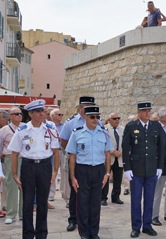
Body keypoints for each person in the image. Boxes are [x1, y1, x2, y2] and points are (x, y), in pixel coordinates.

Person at [9, 100, 60, 239]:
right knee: (28, 202)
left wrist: (55, 171)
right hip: (28, 166)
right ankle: (27, 235)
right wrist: (14, 174)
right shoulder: (22, 130)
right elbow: (14, 153)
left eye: (43, 111)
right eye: (38, 111)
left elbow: (56, 152)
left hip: (45, 166)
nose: (41, 114)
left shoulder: (51, 129)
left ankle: (42, 234)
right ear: (30, 114)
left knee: (43, 202)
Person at [66, 105, 112, 239]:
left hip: (98, 170)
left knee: (95, 203)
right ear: (85, 117)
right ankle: (84, 232)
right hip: (82, 170)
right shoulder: (77, 133)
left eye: (98, 117)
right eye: (92, 117)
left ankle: (94, 231)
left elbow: (107, 154)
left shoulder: (103, 132)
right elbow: (72, 156)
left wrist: (107, 173)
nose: (95, 119)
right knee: (82, 203)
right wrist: (73, 177)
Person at [122, 101, 165, 238]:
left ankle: (147, 225)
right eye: (145, 111)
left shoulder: (156, 126)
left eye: (149, 110)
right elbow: (125, 148)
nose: (148, 113)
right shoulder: (131, 126)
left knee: (149, 198)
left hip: (152, 168)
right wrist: (127, 167)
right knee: (135, 199)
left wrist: (160, 166)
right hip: (136, 169)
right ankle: (136, 226)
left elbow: (161, 147)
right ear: (139, 112)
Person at [59, 96, 99, 232]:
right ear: (80, 107)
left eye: (91, 105)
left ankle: (88, 220)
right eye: (86, 105)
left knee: (91, 194)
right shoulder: (71, 123)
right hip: (74, 161)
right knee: (75, 192)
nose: (88, 108)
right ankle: (73, 219)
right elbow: (63, 141)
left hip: (92, 163)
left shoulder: (97, 122)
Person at [1, 107, 24, 224]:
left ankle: (23, 213)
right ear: (10, 116)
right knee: (11, 186)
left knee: (25, 185)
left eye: (20, 114)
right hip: (10, 158)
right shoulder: (4, 130)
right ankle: (10, 213)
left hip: (24, 158)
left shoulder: (25, 127)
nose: (19, 116)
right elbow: (1, 146)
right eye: (16, 114)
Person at [104, 113, 125, 205]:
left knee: (118, 178)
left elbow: (126, 142)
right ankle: (103, 197)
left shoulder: (122, 129)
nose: (117, 120)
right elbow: (104, 142)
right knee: (106, 177)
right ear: (109, 120)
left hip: (119, 158)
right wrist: (113, 151)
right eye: (114, 118)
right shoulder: (105, 129)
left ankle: (116, 197)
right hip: (108, 157)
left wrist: (121, 152)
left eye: (118, 118)